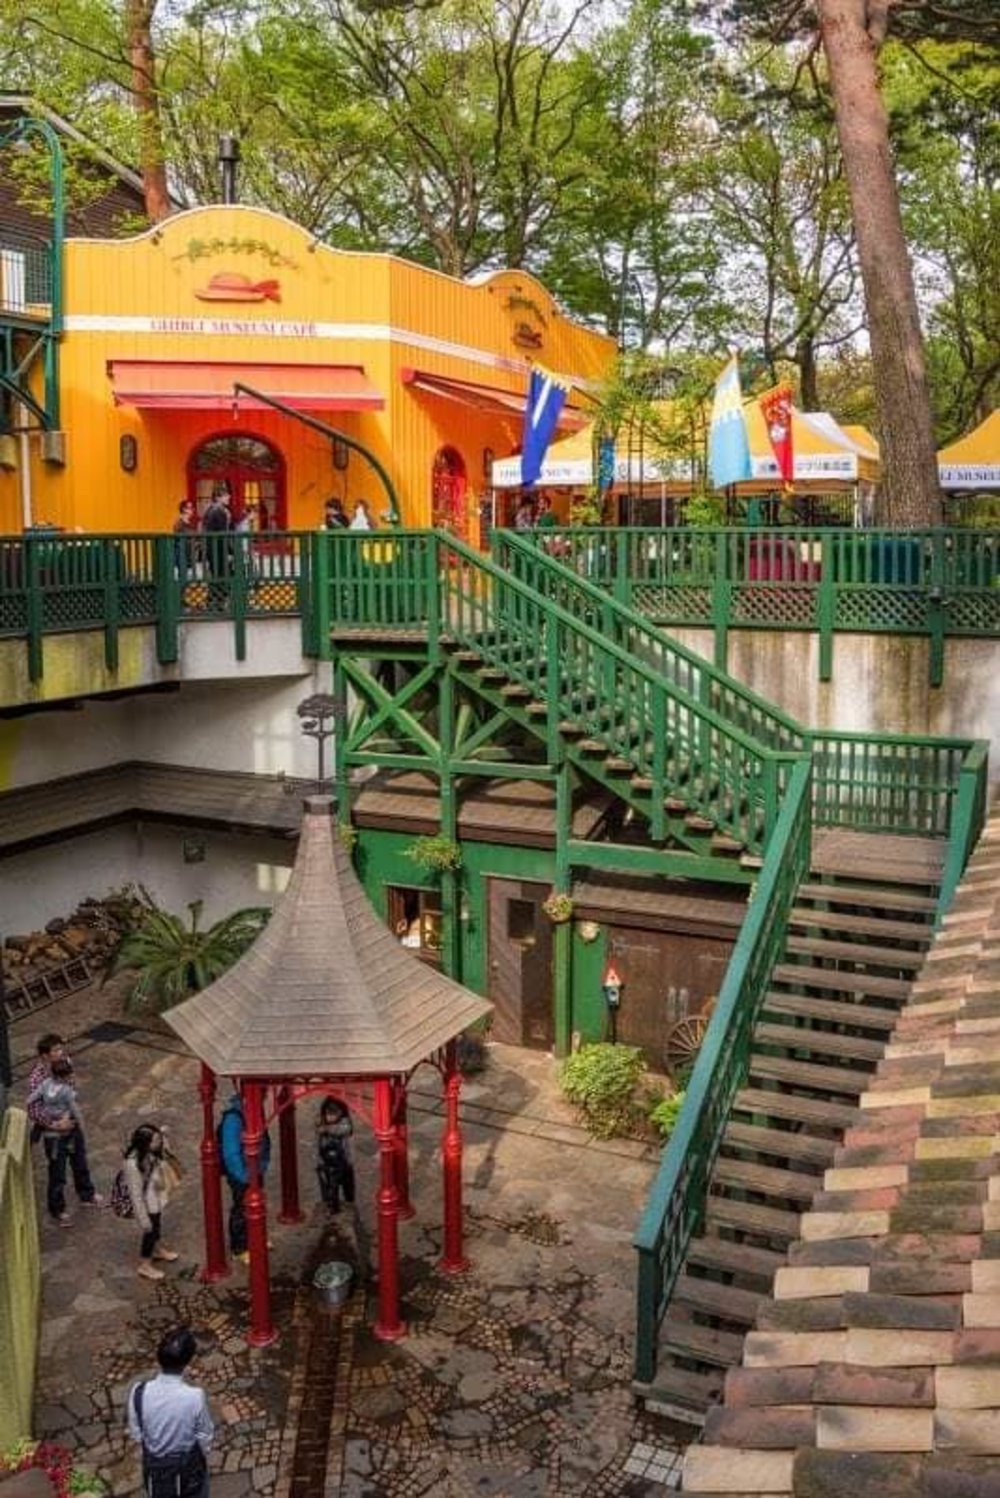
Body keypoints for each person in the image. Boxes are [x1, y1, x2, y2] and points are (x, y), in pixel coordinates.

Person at [127, 1325, 213, 1498]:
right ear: (188, 1361)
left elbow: (136, 1433)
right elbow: (204, 1435)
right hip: (189, 1469)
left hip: (155, 1472)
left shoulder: (138, 1392)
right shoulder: (194, 1397)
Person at [28, 1050, 102, 1225]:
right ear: (46, 1055)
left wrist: (55, 1115)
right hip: (55, 1135)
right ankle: (57, 1209)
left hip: (64, 1131)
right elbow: (34, 1109)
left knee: (79, 1163)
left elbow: (30, 1100)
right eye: (56, 1050)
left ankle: (86, 1194)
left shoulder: (48, 1082)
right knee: (57, 1173)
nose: (61, 1052)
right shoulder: (41, 1080)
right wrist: (56, 1123)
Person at [218, 1092, 271, 1264]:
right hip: (243, 1174)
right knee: (241, 1209)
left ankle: (255, 1239)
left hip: (254, 1169)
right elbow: (231, 1152)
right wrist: (244, 1176)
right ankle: (239, 1248)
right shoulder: (234, 1119)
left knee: (254, 1207)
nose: (265, 1097)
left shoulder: (253, 1111)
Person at [124, 1122, 179, 1281]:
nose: (158, 1143)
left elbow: (166, 1153)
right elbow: (136, 1195)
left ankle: (157, 1249)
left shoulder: (151, 1152)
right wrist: (143, 1219)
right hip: (147, 1202)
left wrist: (164, 1136)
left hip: (155, 1197)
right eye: (155, 1140)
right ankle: (145, 1264)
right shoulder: (133, 1164)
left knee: (157, 1225)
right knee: (150, 1230)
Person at [315, 1098, 355, 1214]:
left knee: (348, 1190)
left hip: (344, 1163)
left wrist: (327, 1129)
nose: (331, 1117)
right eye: (328, 1113)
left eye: (334, 1113)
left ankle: (348, 1204)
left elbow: (346, 1129)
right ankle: (331, 1207)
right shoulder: (320, 1123)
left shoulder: (344, 1124)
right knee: (329, 1191)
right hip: (325, 1164)